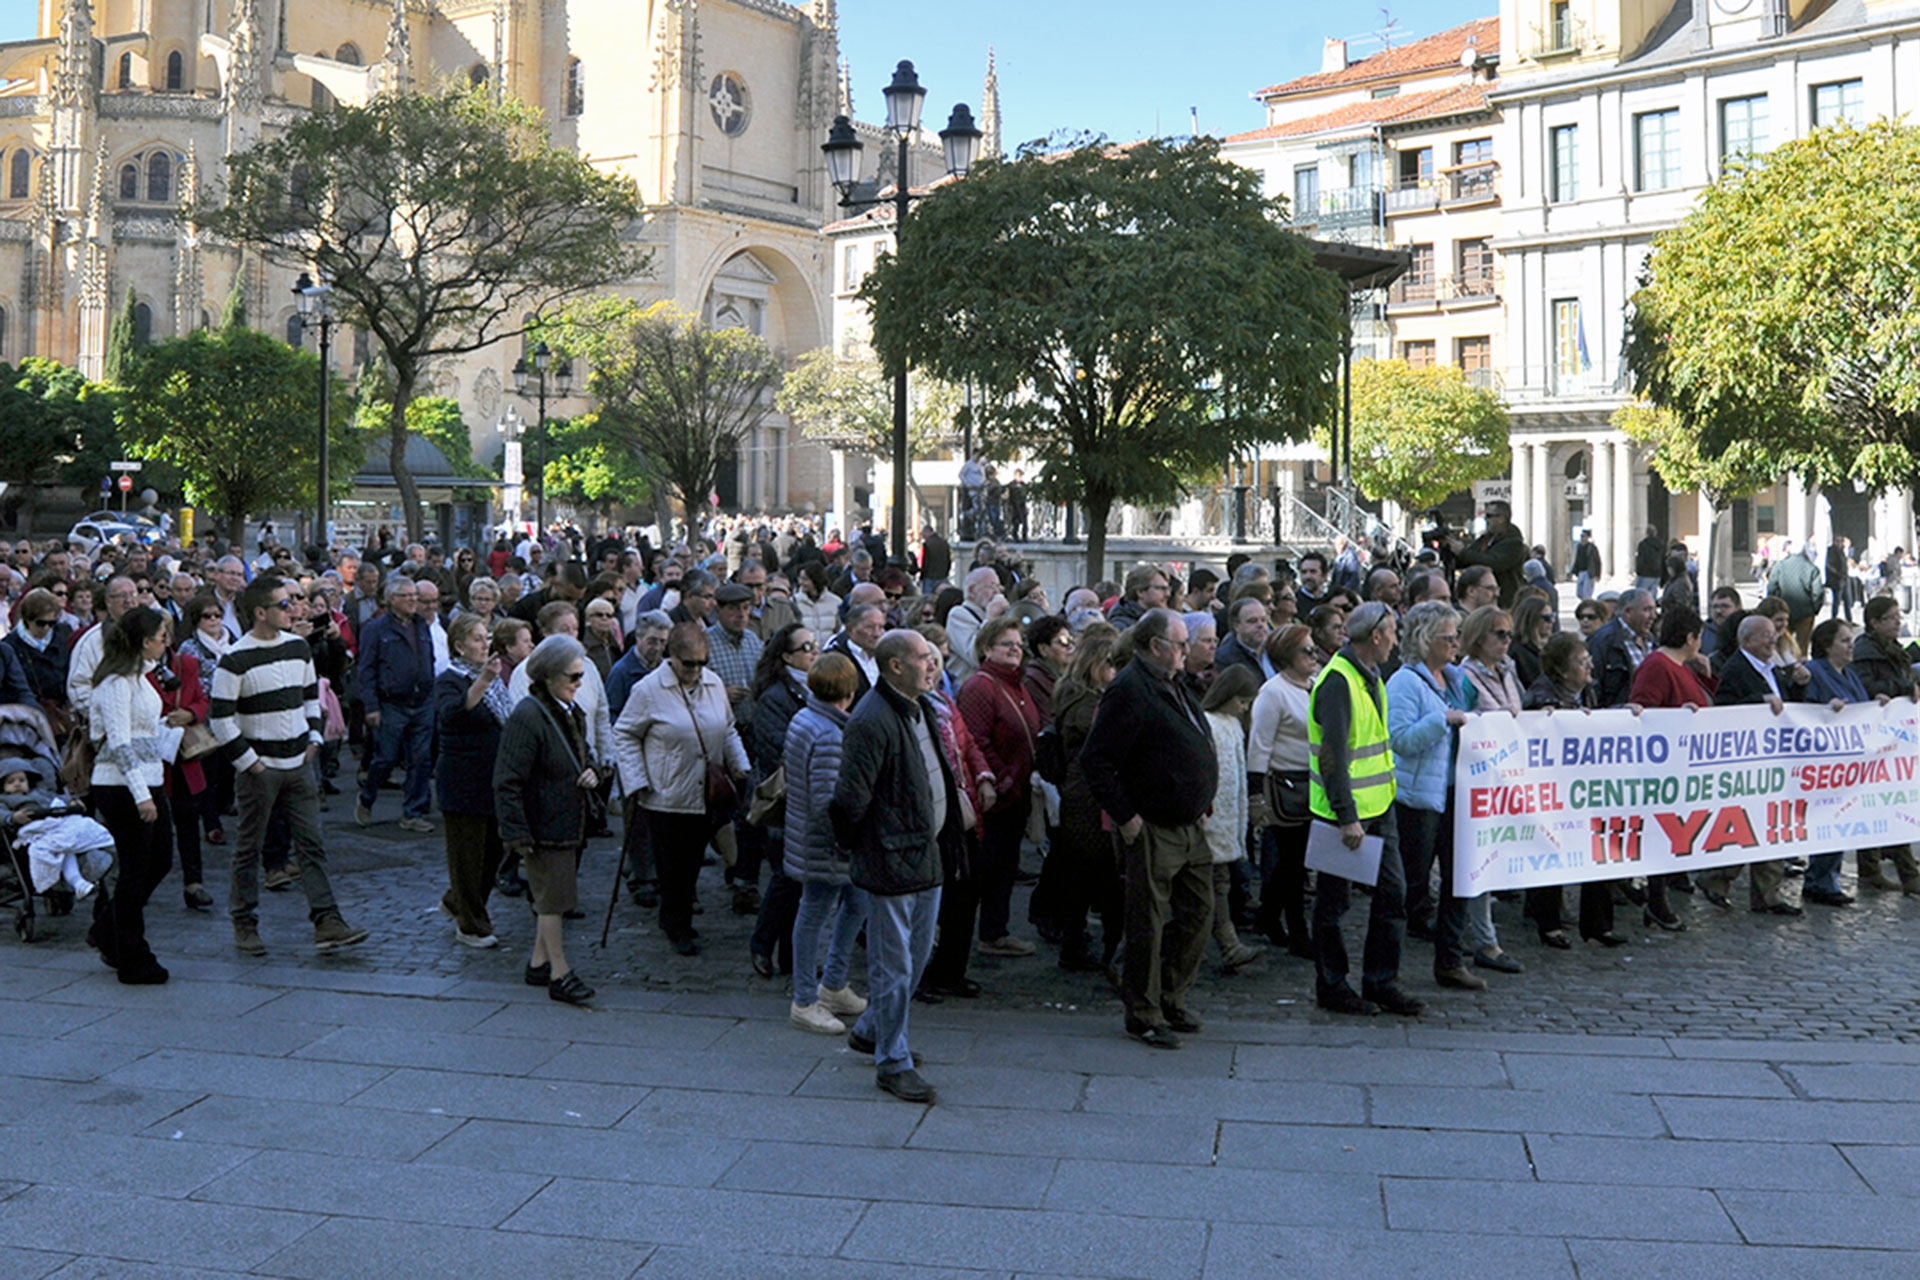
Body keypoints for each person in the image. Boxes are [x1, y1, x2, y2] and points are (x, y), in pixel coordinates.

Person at [830, 629, 958, 1103]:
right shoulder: (872, 719)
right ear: (896, 666)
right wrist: (865, 848)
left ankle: (870, 1027)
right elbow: (848, 800)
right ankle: (892, 1060)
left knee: (918, 954)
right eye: (924, 657)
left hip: (926, 852)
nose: (934, 663)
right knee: (894, 965)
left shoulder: (919, 705)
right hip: (892, 858)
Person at [1080, 609, 1218, 1049]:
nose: (1186, 651)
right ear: (1156, 646)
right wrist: (1127, 817)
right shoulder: (1130, 689)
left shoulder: (1172, 682)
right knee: (1148, 922)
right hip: (1153, 825)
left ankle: (1170, 994)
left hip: (1188, 821)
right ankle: (1143, 1011)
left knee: (1199, 911)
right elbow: (1096, 761)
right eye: (1180, 644)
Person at [209, 576, 368, 957]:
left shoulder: (298, 649)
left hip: (299, 764)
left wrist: (314, 739)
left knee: (312, 844)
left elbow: (311, 697)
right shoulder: (235, 659)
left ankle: (327, 920)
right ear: (260, 613)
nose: (293, 609)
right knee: (249, 846)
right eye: (284, 604)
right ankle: (244, 921)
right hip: (260, 769)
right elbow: (221, 719)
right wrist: (251, 763)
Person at [1308, 602, 1421, 1018]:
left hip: (1378, 808)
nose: (1396, 640)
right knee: (1333, 905)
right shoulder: (1339, 681)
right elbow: (1332, 756)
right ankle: (1332, 985)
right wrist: (1346, 815)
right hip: (1348, 815)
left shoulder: (1371, 676)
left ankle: (1380, 981)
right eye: (1393, 632)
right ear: (1376, 636)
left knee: (1394, 895)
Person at [615, 622, 749, 954]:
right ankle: (676, 924)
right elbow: (625, 733)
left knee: (692, 860)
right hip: (665, 791)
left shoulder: (713, 683)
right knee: (673, 863)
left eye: (701, 662)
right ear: (671, 657)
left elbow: (727, 727)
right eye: (688, 663)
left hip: (708, 789)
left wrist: (740, 766)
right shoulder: (647, 690)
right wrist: (637, 781)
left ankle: (678, 917)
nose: (695, 670)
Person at [493, 635, 599, 1005]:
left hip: (566, 818)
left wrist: (591, 773)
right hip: (542, 825)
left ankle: (539, 964)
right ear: (550, 677)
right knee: (553, 902)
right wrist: (517, 834)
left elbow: (580, 757)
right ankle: (560, 972)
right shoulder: (528, 716)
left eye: (580, 675)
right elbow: (506, 781)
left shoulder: (568, 711)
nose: (579, 683)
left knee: (554, 896)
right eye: (573, 677)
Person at [1384, 602, 1481, 991]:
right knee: (1409, 886)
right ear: (1426, 640)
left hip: (1457, 794)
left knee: (1459, 879)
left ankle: (1450, 959)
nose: (1457, 643)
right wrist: (1441, 720)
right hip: (1418, 799)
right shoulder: (1405, 683)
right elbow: (1400, 740)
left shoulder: (1457, 680)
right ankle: (1388, 967)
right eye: (1449, 636)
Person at [85, 606, 176, 985]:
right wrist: (142, 795)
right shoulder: (116, 683)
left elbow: (143, 732)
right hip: (121, 785)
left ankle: (108, 929)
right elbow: (119, 743)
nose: (166, 643)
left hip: (148, 778)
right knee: (136, 868)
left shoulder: (143, 677)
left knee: (160, 861)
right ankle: (131, 953)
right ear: (144, 642)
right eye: (161, 637)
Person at [781, 652, 870, 1034]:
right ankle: (805, 999)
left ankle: (832, 984)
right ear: (849, 692)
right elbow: (829, 801)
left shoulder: (806, 717)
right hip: (827, 844)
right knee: (815, 912)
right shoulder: (831, 734)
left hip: (815, 839)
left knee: (856, 902)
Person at [1521, 631, 1626, 946]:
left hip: (1585, 786)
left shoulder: (1586, 692)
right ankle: (1549, 924)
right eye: (1581, 662)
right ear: (1561, 671)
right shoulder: (1541, 696)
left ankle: (1598, 925)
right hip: (1552, 789)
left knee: (1598, 846)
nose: (1590, 666)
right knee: (1552, 851)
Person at [1701, 615, 1807, 916]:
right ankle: (1715, 880)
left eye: (1774, 634)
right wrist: (1757, 700)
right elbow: (1724, 708)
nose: (1772, 640)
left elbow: (1787, 708)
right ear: (1746, 640)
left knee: (1771, 826)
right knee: (1746, 827)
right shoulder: (1736, 668)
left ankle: (1767, 894)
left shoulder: (1774, 667)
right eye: (1765, 636)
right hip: (1748, 763)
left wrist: (1798, 687)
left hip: (1774, 760)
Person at [1627, 604, 1719, 930]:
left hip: (1682, 767)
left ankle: (1656, 896)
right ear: (1690, 637)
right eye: (1699, 637)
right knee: (1659, 834)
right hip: (1662, 769)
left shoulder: (1683, 666)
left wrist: (1707, 677)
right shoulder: (1658, 666)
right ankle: (1654, 899)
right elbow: (1643, 709)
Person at [955, 615, 1040, 961]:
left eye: (1018, 645)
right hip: (995, 797)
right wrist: (1000, 778)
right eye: (1007, 644)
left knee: (1004, 867)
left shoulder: (1016, 684)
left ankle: (996, 931)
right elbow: (975, 738)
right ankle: (969, 938)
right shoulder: (980, 686)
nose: (1015, 650)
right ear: (987, 647)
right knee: (984, 870)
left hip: (1016, 793)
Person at [746, 623, 818, 978]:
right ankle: (762, 943)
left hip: (807, 795)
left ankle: (793, 957)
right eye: (806, 647)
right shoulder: (777, 696)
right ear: (787, 656)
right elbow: (778, 747)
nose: (813, 652)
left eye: (815, 646)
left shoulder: (811, 690)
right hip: (784, 799)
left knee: (800, 881)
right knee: (786, 877)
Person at [1457, 604, 1526, 975]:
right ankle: (1485, 940)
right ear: (1478, 636)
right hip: (1479, 781)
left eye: (1510, 634)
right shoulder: (1466, 678)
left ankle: (1472, 931)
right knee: (1478, 857)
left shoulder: (1508, 672)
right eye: (1499, 634)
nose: (1506, 641)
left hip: (1507, 781)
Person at [435, 614, 510, 948]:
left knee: (493, 853)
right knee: (467, 856)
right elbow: (453, 713)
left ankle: (457, 901)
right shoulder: (450, 679)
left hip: (493, 779)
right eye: (477, 638)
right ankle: (471, 924)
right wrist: (481, 681)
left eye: (486, 637)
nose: (484, 644)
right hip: (463, 782)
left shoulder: (494, 680)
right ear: (459, 644)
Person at [1050, 625, 1122, 973]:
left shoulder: (1078, 695)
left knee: (1084, 875)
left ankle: (1076, 942)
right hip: (1087, 798)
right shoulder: (1086, 703)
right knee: (1099, 875)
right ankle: (1096, 946)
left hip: (1082, 794)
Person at [1248, 624, 1318, 957]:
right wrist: (1256, 795)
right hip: (1283, 786)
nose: (1314, 655)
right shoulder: (1273, 692)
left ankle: (1268, 914)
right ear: (1287, 656)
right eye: (1306, 650)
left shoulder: (1314, 686)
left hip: (1313, 783)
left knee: (1297, 860)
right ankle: (1297, 930)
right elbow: (1259, 745)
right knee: (1292, 860)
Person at [1803, 618, 1877, 907]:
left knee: (1842, 821)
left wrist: (1878, 704)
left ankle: (1827, 876)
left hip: (1850, 766)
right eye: (1844, 640)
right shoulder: (1814, 672)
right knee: (1828, 820)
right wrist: (1826, 711)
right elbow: (1803, 713)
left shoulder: (1849, 674)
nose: (1851, 646)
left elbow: (1863, 706)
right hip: (1824, 765)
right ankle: (1819, 879)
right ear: (1826, 645)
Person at [354, 577, 436, 833]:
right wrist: (371, 706)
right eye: (406, 595)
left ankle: (412, 812)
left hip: (421, 701)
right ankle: (367, 797)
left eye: (415, 595)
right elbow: (365, 670)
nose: (413, 600)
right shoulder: (375, 629)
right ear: (392, 599)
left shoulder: (421, 625)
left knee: (421, 759)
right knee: (386, 757)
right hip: (391, 703)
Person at [1201, 665, 1264, 971]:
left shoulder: (1232, 726)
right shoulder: (1211, 725)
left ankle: (1226, 945)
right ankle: (1226, 945)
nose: (1245, 708)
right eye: (1241, 701)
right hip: (1213, 819)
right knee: (1212, 885)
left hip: (1227, 820)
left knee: (1218, 883)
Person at [1589, 588, 1656, 710]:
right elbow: (1593, 686)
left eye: (1654, 610)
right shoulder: (1604, 640)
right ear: (1628, 612)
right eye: (1647, 610)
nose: (1653, 616)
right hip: (1619, 718)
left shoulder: (1652, 640)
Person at [1452, 501, 1527, 608]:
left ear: (1501, 519)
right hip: (1480, 597)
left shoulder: (1513, 542)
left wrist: (1463, 552)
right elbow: (1468, 558)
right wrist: (1454, 551)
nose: (1486, 520)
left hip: (1503, 600)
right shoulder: (1486, 538)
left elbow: (1494, 562)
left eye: (1489, 516)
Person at [1767, 539, 1825, 656]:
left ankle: (1784, 665)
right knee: (1802, 645)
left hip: (1783, 611)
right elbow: (1818, 592)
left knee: (1782, 643)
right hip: (1806, 613)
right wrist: (1815, 608)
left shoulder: (1780, 566)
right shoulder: (1812, 569)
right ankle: (1801, 666)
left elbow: (1772, 587)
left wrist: (1775, 606)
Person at [1573, 530, 1602, 600]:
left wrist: (1598, 575)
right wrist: (1575, 570)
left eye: (1584, 536)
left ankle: (1587, 606)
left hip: (1589, 572)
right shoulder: (1579, 547)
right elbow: (1577, 559)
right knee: (1579, 593)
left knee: (1587, 594)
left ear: (1588, 537)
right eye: (1581, 536)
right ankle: (1587, 603)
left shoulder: (1592, 548)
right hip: (1581, 572)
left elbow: (1598, 561)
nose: (1582, 538)